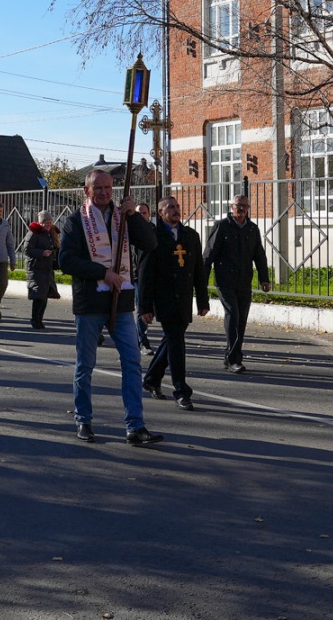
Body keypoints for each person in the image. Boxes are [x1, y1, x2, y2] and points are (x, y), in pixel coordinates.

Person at [60, 170, 162, 446]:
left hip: (122, 302)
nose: (104, 192)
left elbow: (151, 243)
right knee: (85, 365)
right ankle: (83, 420)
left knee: (132, 362)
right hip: (90, 303)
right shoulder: (75, 220)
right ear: (86, 191)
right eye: (98, 188)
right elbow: (66, 260)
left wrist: (134, 217)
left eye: (108, 187)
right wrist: (102, 273)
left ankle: (135, 426)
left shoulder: (123, 217)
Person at [140, 196, 208, 410]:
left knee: (171, 340)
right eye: (170, 207)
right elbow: (145, 274)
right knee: (177, 343)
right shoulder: (153, 236)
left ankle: (152, 379)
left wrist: (203, 300)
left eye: (177, 206)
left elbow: (198, 270)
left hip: (184, 298)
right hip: (164, 299)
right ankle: (181, 391)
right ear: (161, 212)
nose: (176, 210)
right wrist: (144, 307)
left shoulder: (191, 235)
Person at [204, 191, 271, 373]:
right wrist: (201, 280)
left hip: (244, 281)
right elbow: (209, 254)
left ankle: (231, 356)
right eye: (238, 206)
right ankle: (234, 359)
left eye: (244, 206)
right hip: (225, 281)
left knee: (241, 319)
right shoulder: (222, 226)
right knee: (233, 315)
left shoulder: (252, 229)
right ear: (232, 207)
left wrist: (264, 278)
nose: (241, 209)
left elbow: (259, 255)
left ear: (248, 208)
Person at [22, 212, 61, 329]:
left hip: (47, 268)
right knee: (39, 295)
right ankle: (35, 319)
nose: (48, 225)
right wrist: (41, 253)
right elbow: (26, 250)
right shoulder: (34, 233)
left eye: (50, 222)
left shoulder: (52, 232)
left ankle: (39, 319)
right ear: (40, 223)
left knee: (44, 295)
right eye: (45, 223)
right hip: (35, 268)